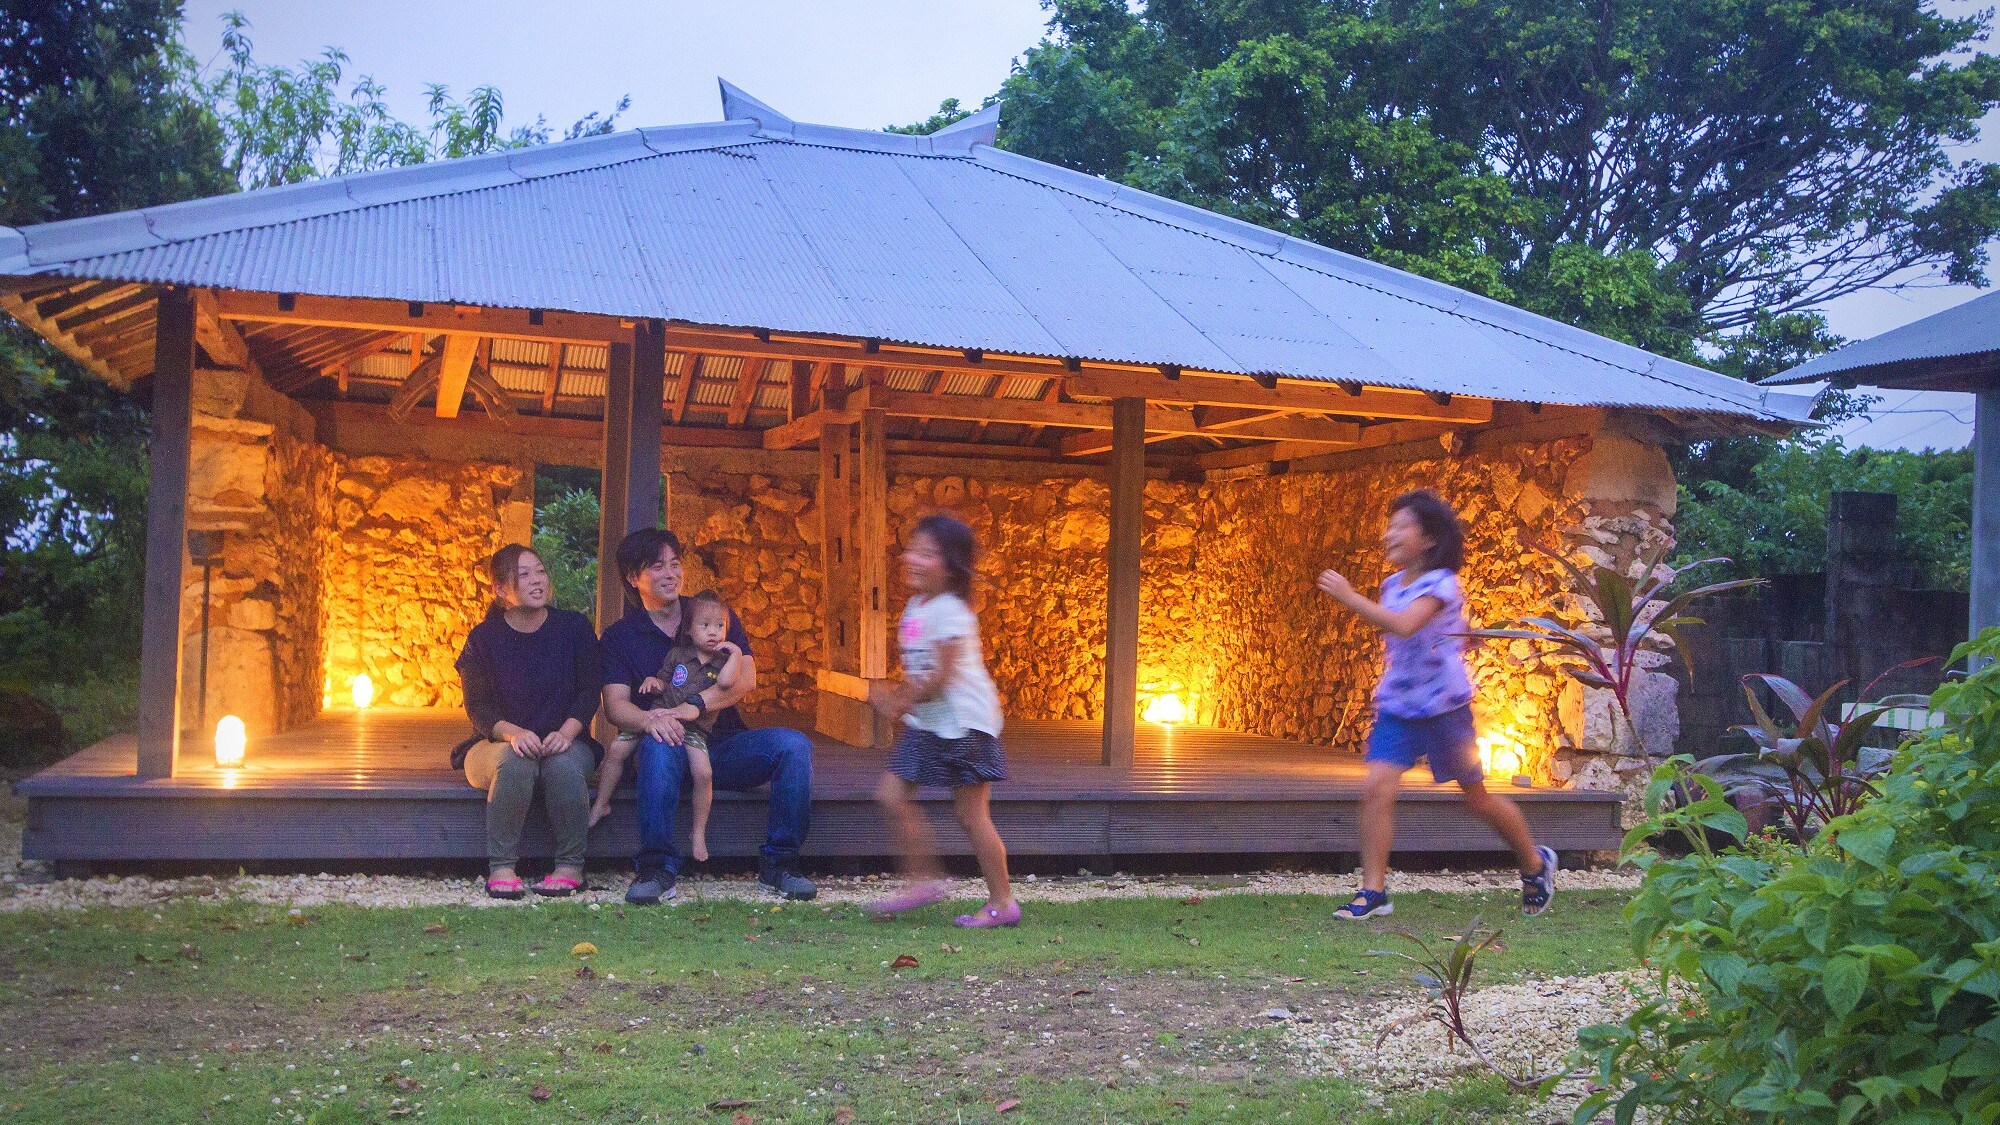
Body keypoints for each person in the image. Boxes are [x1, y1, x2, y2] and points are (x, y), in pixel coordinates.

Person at [1315, 489, 1558, 919]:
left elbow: (1406, 626)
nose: (1388, 534)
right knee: (1376, 789)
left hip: (1445, 709)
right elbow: (1408, 634)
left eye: (1399, 526)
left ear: (1427, 538)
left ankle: (1535, 864)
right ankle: (1374, 892)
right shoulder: (1392, 585)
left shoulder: (1442, 582)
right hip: (1398, 706)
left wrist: (1349, 597)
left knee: (1476, 799)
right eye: (1388, 526)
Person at [600, 528, 817, 904]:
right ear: (634, 579)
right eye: (657, 567)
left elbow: (745, 679)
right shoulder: (621, 636)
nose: (671, 573)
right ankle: (657, 869)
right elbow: (615, 706)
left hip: (723, 746)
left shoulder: (711, 614)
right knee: (658, 744)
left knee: (793, 746)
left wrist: (694, 706)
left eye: (675, 564)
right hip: (665, 749)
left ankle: (781, 864)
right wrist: (651, 720)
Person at [868, 514, 1019, 928]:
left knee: (971, 816)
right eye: (912, 548)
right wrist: (901, 696)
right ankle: (922, 882)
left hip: (966, 726)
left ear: (951, 566)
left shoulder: (952, 611)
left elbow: (940, 677)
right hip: (930, 723)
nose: (912, 558)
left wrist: (897, 702)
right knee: (890, 795)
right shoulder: (917, 607)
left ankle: (1002, 902)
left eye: (927, 553)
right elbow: (920, 671)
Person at [452, 544, 603, 899]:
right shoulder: (482, 639)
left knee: (563, 766)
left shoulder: (574, 628)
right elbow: (478, 708)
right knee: (515, 763)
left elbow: (588, 691)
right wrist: (514, 734)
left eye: (540, 572)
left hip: (565, 742)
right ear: (501, 589)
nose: (537, 581)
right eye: (524, 574)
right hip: (494, 745)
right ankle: (502, 868)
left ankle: (570, 867)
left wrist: (567, 733)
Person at [590, 591, 744, 865]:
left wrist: (735, 653)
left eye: (720, 626)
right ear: (688, 629)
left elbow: (728, 683)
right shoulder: (678, 654)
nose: (713, 632)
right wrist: (653, 682)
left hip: (695, 729)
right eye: (705, 626)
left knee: (704, 773)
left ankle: (697, 832)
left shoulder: (722, 662)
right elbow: (664, 680)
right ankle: (602, 802)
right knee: (616, 749)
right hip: (658, 716)